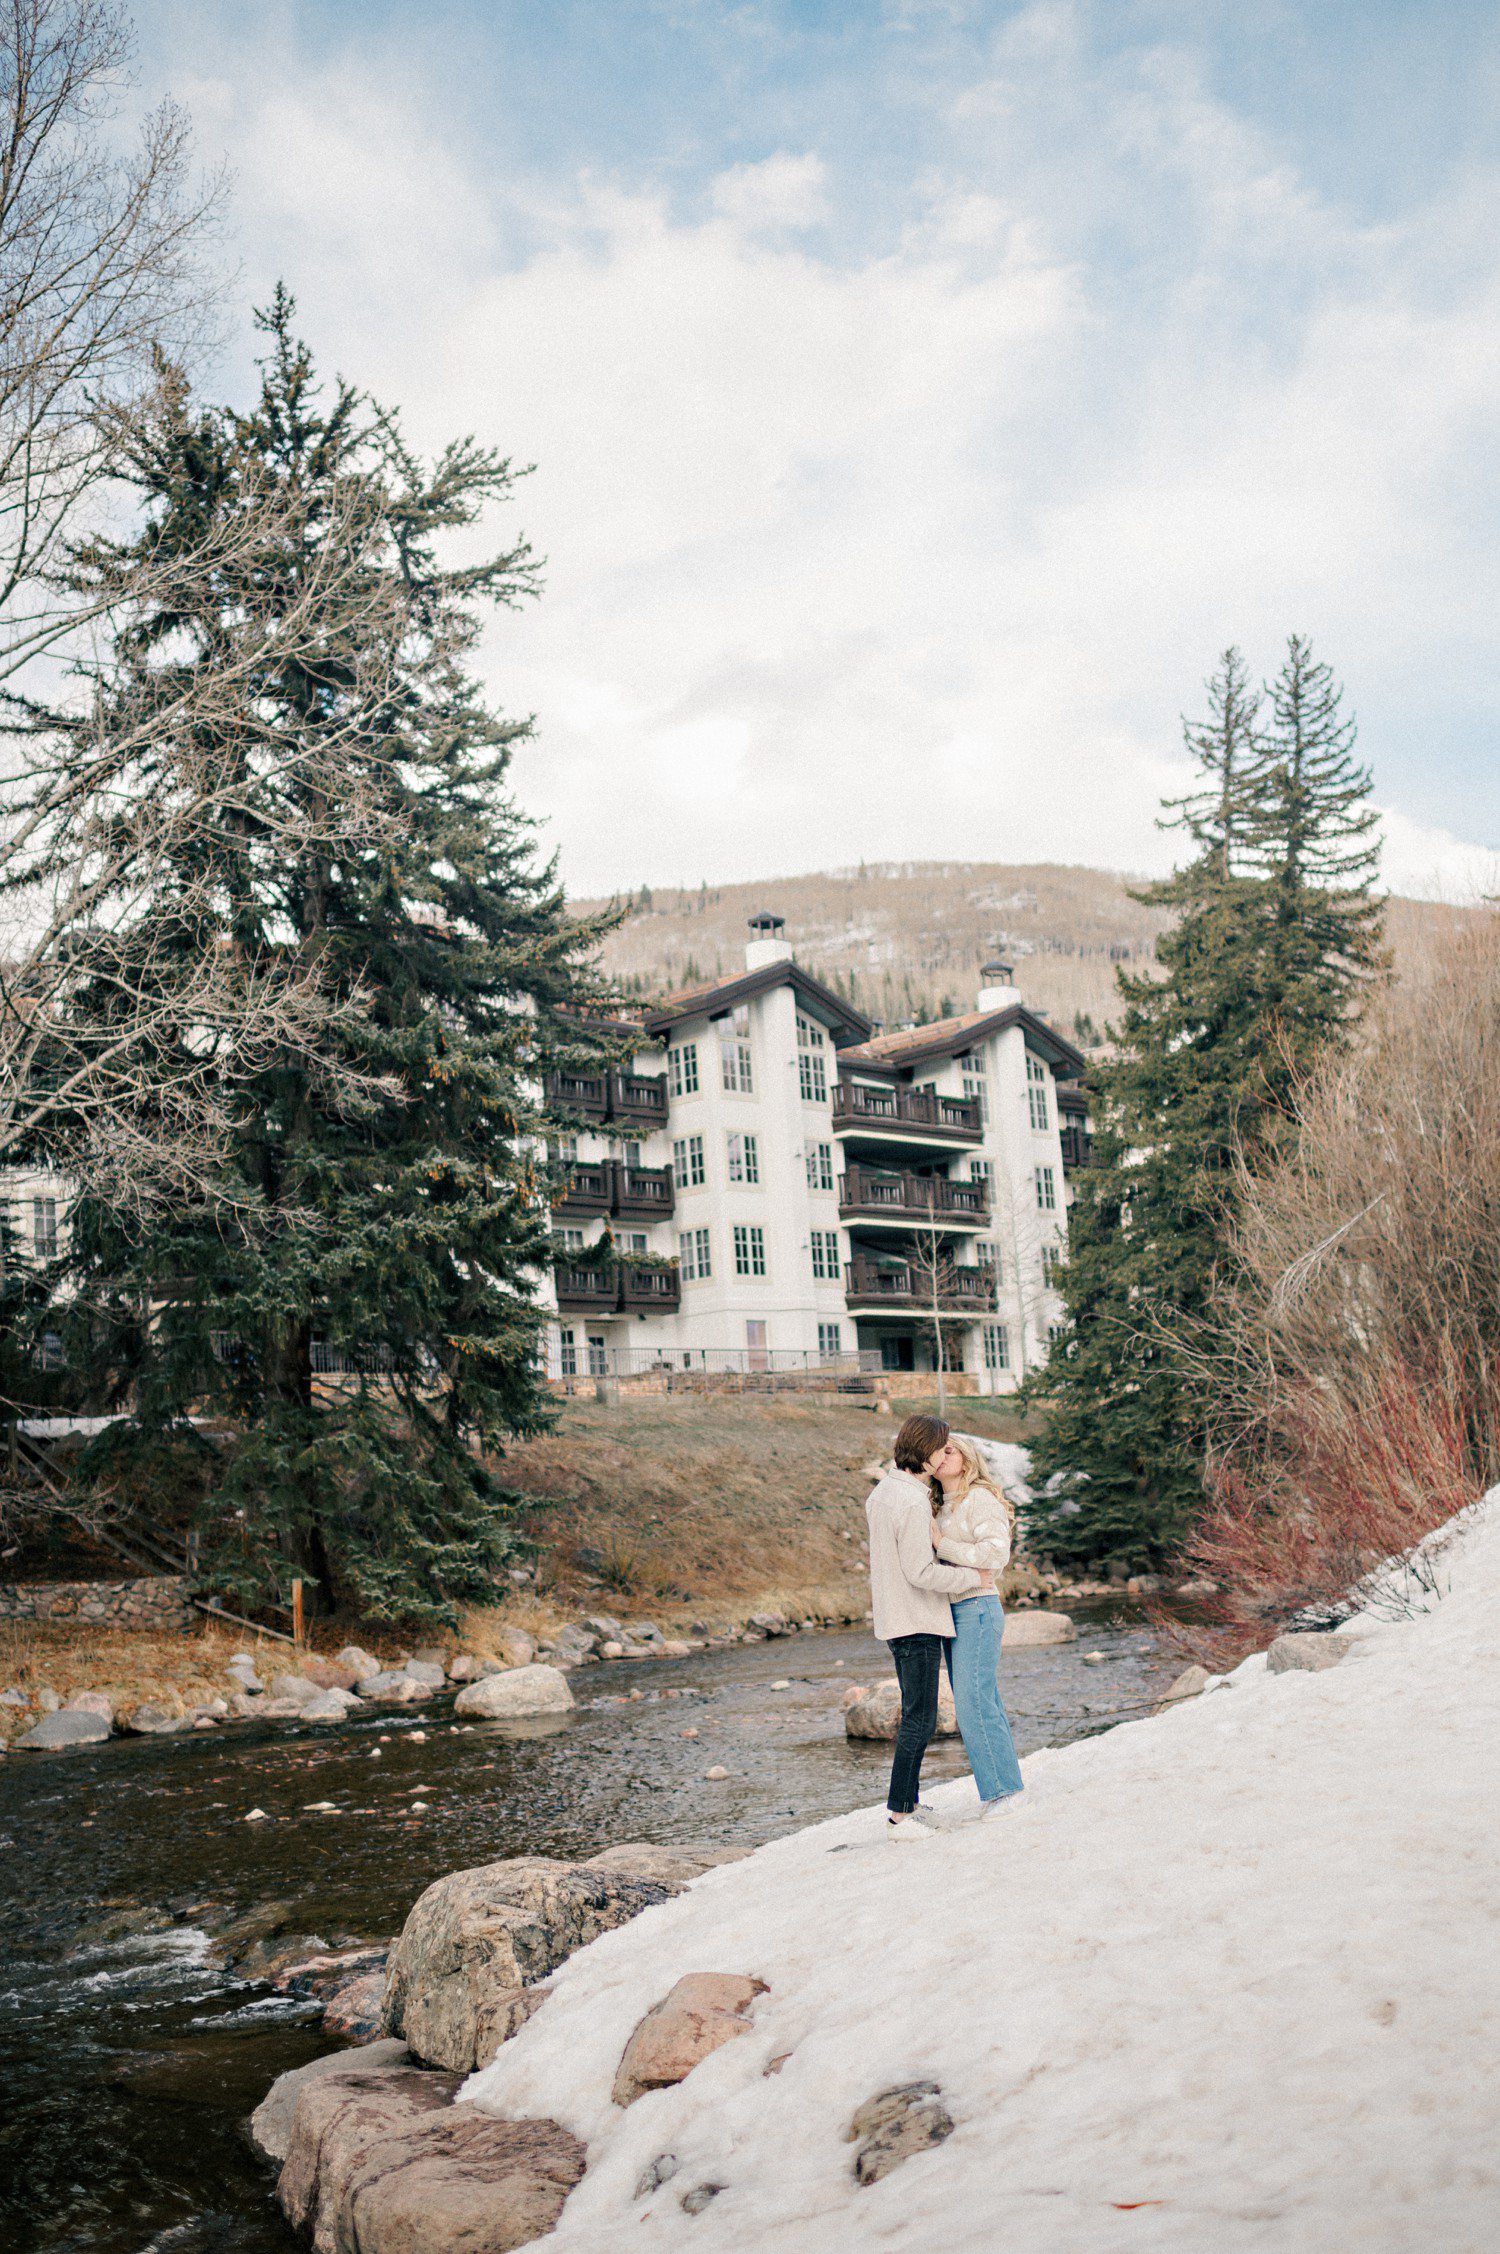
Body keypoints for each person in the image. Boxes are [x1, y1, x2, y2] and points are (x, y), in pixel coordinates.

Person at [865, 1412, 994, 1842]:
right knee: (919, 1719)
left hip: (894, 1618)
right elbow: (920, 1571)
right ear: (925, 1450)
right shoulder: (913, 1500)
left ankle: (910, 1802)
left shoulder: (882, 1493)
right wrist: (973, 1579)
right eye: (941, 1448)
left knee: (915, 1715)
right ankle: (900, 1814)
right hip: (917, 1619)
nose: (944, 1457)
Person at [927, 1432, 1025, 1817]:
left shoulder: (979, 1499)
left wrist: (942, 1545)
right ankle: (1007, 1787)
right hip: (952, 1613)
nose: (941, 1456)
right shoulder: (939, 1506)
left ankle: (1005, 1793)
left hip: (978, 1609)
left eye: (949, 1449)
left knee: (972, 1706)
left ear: (967, 1458)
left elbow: (995, 1556)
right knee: (984, 1701)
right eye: (936, 1452)